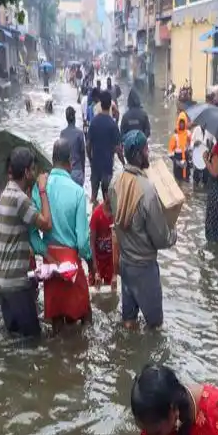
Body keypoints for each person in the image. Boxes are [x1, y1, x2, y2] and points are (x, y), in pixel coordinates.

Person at [111, 130, 176, 328]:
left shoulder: (115, 182)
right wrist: (173, 231)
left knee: (129, 323)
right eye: (146, 149)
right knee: (155, 327)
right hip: (144, 269)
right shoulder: (147, 191)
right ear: (139, 155)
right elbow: (161, 238)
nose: (149, 152)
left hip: (125, 264)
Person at [30, 138, 92, 326]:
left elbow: (32, 233)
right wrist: (90, 260)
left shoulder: (39, 188)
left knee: (56, 323)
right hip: (71, 262)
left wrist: (44, 251)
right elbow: (82, 242)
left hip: (50, 263)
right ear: (70, 162)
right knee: (85, 317)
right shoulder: (77, 192)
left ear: (52, 159)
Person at [0, 147, 52, 337]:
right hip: (16, 285)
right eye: (33, 170)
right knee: (33, 341)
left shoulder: (5, 193)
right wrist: (42, 190)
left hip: (3, 283)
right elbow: (47, 224)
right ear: (26, 172)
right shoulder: (20, 199)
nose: (35, 174)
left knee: (15, 342)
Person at [87, 91, 121, 204]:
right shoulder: (113, 125)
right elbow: (118, 149)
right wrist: (124, 162)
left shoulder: (94, 122)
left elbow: (88, 145)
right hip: (107, 168)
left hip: (95, 167)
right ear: (110, 105)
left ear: (101, 105)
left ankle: (92, 217)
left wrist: (91, 160)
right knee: (108, 201)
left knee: (93, 198)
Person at [89, 197, 116, 293]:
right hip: (98, 259)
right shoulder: (96, 215)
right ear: (106, 195)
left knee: (112, 291)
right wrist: (95, 270)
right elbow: (91, 243)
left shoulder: (116, 213)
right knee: (94, 290)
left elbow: (117, 244)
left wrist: (115, 273)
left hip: (110, 260)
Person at [60, 105, 87, 186]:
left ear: (66, 118)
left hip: (66, 172)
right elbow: (82, 154)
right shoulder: (79, 133)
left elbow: (61, 154)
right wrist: (83, 170)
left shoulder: (62, 133)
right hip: (77, 172)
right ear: (74, 118)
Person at [168, 111, 191, 181]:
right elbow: (170, 153)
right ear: (178, 122)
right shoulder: (174, 136)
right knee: (178, 181)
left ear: (185, 123)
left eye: (183, 122)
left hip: (186, 161)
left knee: (187, 180)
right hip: (177, 161)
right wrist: (177, 162)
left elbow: (191, 146)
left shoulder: (188, 134)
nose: (181, 124)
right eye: (180, 122)